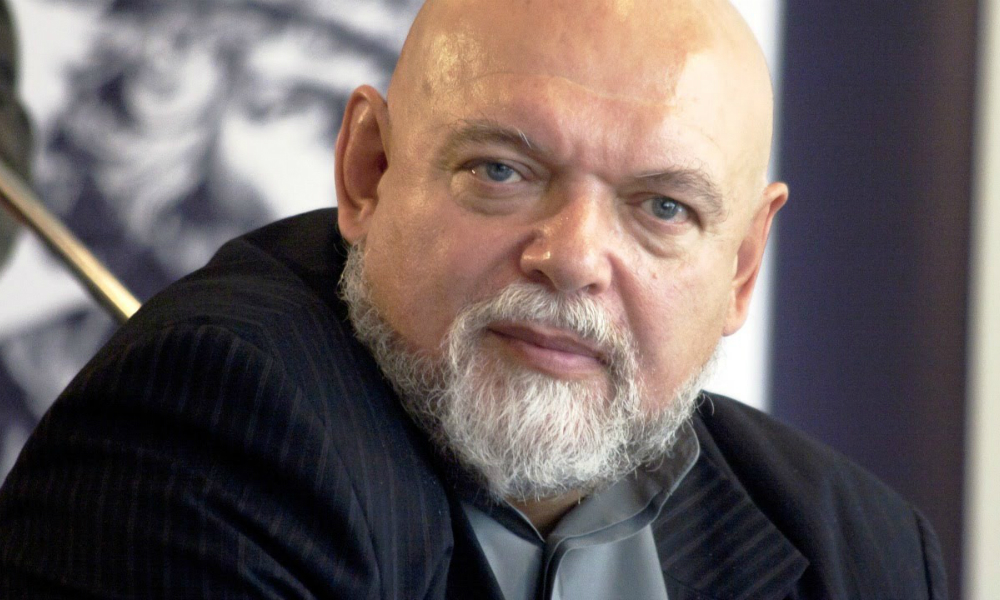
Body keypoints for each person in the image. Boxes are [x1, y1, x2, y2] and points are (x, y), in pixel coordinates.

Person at [0, 0, 947, 597]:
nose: (572, 259)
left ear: (740, 267)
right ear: (368, 171)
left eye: (663, 207)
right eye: (502, 170)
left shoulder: (860, 547)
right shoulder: (215, 425)